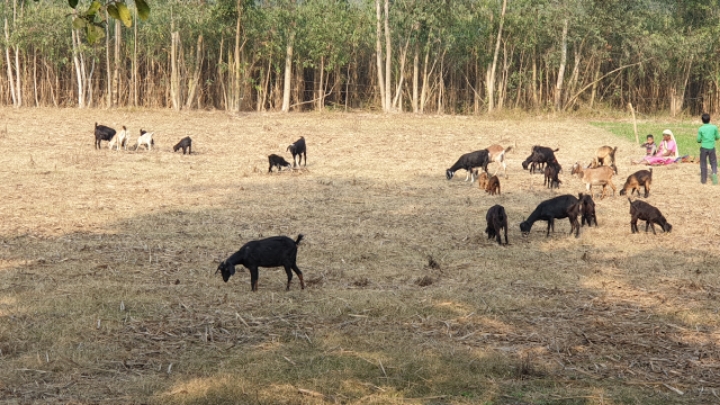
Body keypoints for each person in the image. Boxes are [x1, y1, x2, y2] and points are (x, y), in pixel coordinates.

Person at [697, 113, 719, 185]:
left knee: (703, 163)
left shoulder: (701, 129)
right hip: (711, 148)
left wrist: (701, 140)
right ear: (710, 119)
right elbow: (717, 137)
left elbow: (698, 140)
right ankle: (714, 173)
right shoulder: (714, 127)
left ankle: (703, 180)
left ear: (702, 120)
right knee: (713, 161)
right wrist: (714, 138)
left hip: (703, 148)